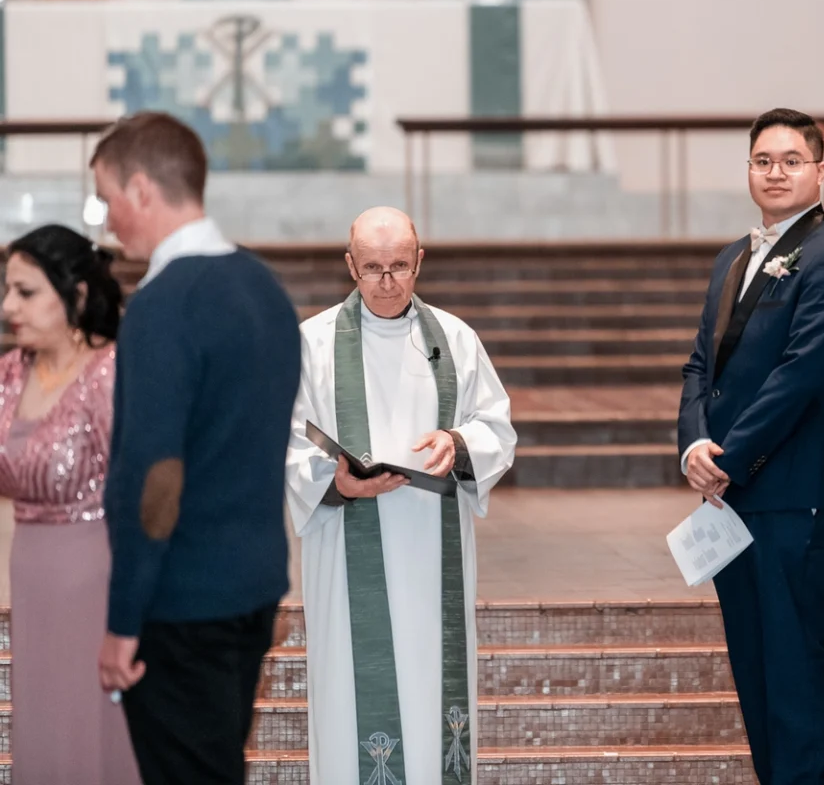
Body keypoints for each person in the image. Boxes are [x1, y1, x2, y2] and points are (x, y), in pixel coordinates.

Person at [91, 112, 301, 785]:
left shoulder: (163, 305)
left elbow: (154, 478)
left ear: (144, 189)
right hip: (254, 585)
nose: (106, 216)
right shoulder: (264, 288)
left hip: (182, 600)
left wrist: (124, 622)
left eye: (108, 195)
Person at [286, 206, 517, 785]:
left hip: (430, 547)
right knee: (351, 691)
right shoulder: (311, 344)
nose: (387, 281)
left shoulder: (456, 338)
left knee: (431, 683)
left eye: (398, 266)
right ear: (348, 265)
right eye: (371, 268)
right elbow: (283, 440)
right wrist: (331, 480)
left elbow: (497, 427)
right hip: (346, 550)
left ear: (420, 260)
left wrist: (459, 443)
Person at [678, 108, 824, 785]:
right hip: (737, 497)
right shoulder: (734, 256)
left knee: (792, 670)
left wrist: (727, 461)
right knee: (756, 669)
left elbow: (801, 376)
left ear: (821, 171)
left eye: (792, 160)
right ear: (749, 170)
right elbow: (701, 365)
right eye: (764, 160)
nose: (777, 172)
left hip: (796, 497)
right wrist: (694, 445)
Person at [0, 226, 138, 784]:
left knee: (92, 734)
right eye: (7, 290)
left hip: (97, 580)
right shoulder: (9, 373)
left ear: (76, 295)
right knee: (43, 728)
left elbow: (143, 498)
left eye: (26, 292)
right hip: (31, 575)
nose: (9, 306)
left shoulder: (111, 375)